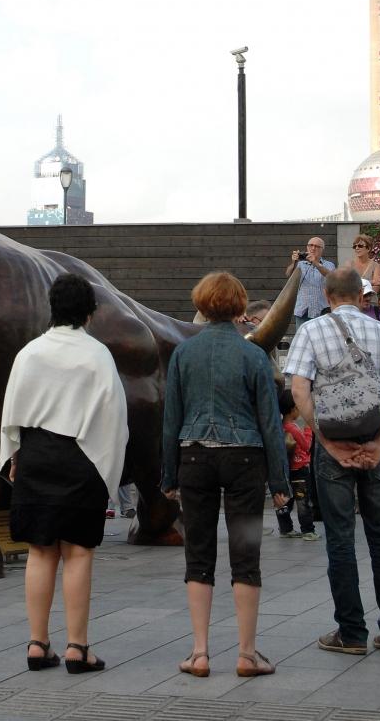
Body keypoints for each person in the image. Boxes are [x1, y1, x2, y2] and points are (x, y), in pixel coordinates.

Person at [161, 271, 289, 680]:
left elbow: (171, 419)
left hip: (194, 457)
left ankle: (199, 653)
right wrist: (280, 481)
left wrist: (168, 475)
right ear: (239, 306)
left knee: (198, 553)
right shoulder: (254, 355)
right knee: (245, 554)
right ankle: (246, 654)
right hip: (246, 459)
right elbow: (270, 423)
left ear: (201, 304)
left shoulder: (184, 354)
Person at [0, 273, 128, 674]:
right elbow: (114, 418)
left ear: (52, 308)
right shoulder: (97, 355)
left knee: (40, 550)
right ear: (90, 313)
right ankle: (77, 647)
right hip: (81, 458)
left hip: (36, 455)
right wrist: (108, 470)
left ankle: (37, 644)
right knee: (78, 551)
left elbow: (11, 415)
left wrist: (16, 457)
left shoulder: (30, 353)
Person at [286, 266, 380, 655]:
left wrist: (327, 442)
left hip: (334, 445)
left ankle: (352, 632)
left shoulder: (312, 331)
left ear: (327, 297)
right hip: (377, 442)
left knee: (340, 538)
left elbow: (298, 390)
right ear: (362, 297)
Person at [274, 389, 318, 541]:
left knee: (285, 501)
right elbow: (306, 446)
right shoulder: (293, 428)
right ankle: (308, 530)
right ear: (293, 409)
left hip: (286, 471)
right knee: (303, 501)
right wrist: (308, 429)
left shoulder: (279, 427)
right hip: (300, 471)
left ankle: (286, 528)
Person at [285, 237, 335, 329]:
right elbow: (288, 274)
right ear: (307, 247)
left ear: (322, 249)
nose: (313, 248)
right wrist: (293, 262)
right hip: (303, 310)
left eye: (317, 246)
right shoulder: (300, 264)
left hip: (321, 310)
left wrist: (315, 263)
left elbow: (331, 277)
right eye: (310, 245)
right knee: (302, 336)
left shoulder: (329, 265)